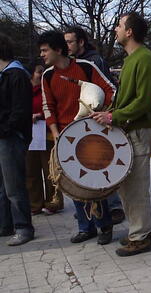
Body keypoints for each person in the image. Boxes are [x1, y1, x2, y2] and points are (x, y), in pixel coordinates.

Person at [91, 12, 151, 256]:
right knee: (128, 185)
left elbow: (143, 101)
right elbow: (126, 100)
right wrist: (107, 113)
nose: (116, 30)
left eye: (120, 25)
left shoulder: (145, 59)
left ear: (130, 32)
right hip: (130, 129)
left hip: (139, 130)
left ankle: (140, 237)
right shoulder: (132, 59)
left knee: (136, 186)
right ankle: (141, 231)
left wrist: (113, 117)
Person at [39, 30, 115, 245]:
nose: (42, 55)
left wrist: (103, 113)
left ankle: (104, 225)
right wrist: (56, 135)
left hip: (91, 134)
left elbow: (110, 90)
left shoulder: (85, 67)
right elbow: (48, 106)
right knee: (72, 183)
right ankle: (85, 227)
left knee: (94, 182)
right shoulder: (48, 75)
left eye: (45, 50)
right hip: (65, 136)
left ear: (58, 49)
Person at [64, 25, 125, 225]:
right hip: (83, 120)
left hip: (97, 119)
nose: (67, 46)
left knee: (101, 162)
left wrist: (104, 112)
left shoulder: (94, 61)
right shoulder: (73, 62)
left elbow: (106, 89)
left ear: (81, 42)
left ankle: (113, 207)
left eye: (70, 41)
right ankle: (91, 207)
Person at [0, 33, 34, 246]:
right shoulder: (6, 74)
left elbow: (19, 111)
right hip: (5, 135)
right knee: (3, 186)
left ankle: (23, 227)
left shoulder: (16, 74)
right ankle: (6, 224)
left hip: (10, 137)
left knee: (13, 185)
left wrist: (5, 129)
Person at [26, 63, 64, 216]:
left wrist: (41, 116)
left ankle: (53, 202)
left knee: (50, 170)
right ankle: (35, 204)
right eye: (38, 72)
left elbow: (52, 106)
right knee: (31, 171)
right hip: (30, 135)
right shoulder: (24, 91)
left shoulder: (47, 88)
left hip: (47, 133)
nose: (41, 74)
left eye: (43, 72)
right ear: (31, 74)